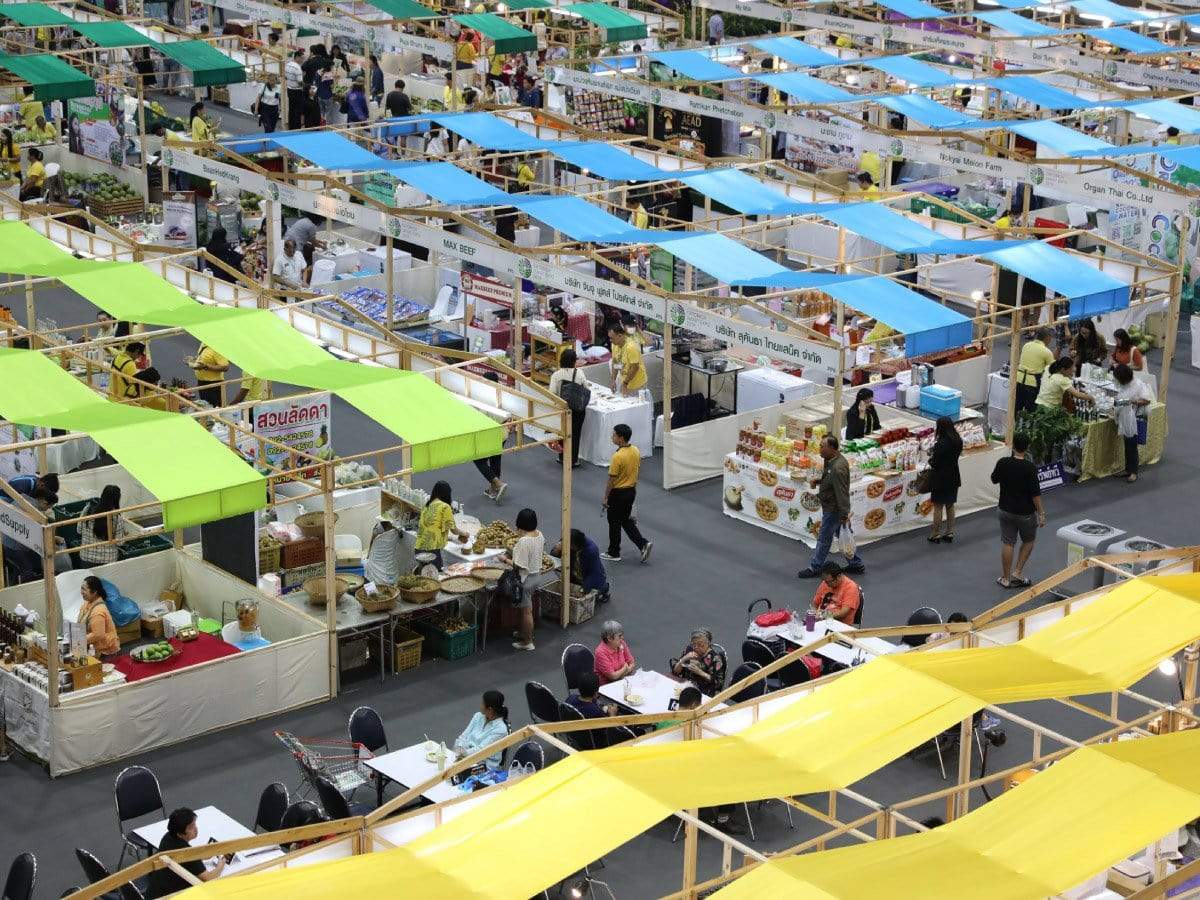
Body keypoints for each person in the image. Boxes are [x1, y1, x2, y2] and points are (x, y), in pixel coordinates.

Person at [798, 436, 864, 578]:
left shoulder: (837, 468)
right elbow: (831, 480)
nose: (820, 449)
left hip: (834, 510)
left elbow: (841, 493)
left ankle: (815, 567)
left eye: (822, 446)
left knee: (824, 539)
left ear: (832, 448)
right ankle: (856, 564)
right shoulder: (832, 460)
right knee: (844, 537)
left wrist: (844, 514)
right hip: (834, 508)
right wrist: (820, 481)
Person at [990, 432, 1044, 588]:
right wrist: (1041, 513)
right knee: (1028, 541)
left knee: (1008, 542)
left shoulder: (1003, 462)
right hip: (1025, 513)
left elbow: (994, 479)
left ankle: (1005, 578)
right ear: (1027, 448)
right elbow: (1035, 494)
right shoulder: (1030, 468)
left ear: (1013, 445)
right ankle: (1017, 572)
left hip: (1005, 509)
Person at [148, 808, 227, 898]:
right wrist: (221, 865)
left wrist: (202, 855)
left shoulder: (167, 837)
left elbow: (181, 859)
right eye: (190, 827)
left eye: (194, 824)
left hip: (155, 891)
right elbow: (207, 878)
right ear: (179, 833)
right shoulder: (186, 852)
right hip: (171, 896)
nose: (196, 829)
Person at [602, 424, 652, 564]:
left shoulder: (617, 456)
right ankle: (643, 544)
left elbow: (611, 480)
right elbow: (636, 470)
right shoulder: (635, 450)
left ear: (621, 438)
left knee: (614, 523)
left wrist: (606, 497)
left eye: (614, 435)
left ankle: (614, 552)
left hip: (618, 494)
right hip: (630, 491)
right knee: (625, 520)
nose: (612, 437)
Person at [508, 507, 544, 651]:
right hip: (537, 575)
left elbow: (518, 565)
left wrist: (505, 559)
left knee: (526, 611)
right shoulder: (539, 535)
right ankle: (524, 632)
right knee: (526, 609)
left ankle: (527, 642)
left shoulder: (524, 541)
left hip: (527, 580)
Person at [549, 348, 590, 468]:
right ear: (574, 361)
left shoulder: (556, 375)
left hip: (563, 409)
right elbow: (586, 389)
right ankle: (574, 460)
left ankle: (562, 457)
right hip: (578, 409)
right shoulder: (580, 373)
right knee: (575, 434)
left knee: (563, 433)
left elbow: (552, 393)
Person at [1112, 363, 1153, 483]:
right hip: (1126, 418)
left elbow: (1147, 400)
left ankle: (1133, 472)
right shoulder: (1124, 385)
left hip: (1134, 419)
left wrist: (1132, 401)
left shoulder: (1138, 384)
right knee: (1127, 445)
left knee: (1132, 446)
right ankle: (1128, 469)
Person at [415, 481, 469, 570]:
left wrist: (448, 538)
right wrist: (465, 533)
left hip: (419, 547)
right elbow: (454, 530)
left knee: (423, 574)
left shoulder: (427, 505)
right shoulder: (445, 507)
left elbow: (432, 527)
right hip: (432, 550)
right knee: (436, 575)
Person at [928, 416, 963, 543]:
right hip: (953, 476)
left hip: (940, 478)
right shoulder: (958, 440)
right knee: (950, 505)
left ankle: (935, 533)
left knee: (938, 506)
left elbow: (935, 463)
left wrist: (931, 458)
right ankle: (950, 532)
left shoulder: (940, 444)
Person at [453, 690, 510, 768]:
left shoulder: (501, 730)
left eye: (482, 703)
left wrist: (462, 754)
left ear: (490, 709)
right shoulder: (478, 716)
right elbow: (463, 736)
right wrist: (459, 747)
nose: (480, 705)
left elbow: (481, 751)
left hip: (484, 766)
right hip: (466, 757)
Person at [79, 485, 128, 566]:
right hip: (107, 560)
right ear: (117, 499)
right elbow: (119, 542)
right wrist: (125, 535)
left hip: (86, 557)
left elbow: (79, 530)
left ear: (102, 495)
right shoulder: (116, 517)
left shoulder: (87, 509)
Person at [1015, 327, 1056, 414]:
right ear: (1047, 338)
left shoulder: (1026, 345)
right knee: (1031, 411)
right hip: (1032, 384)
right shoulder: (1046, 352)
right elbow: (1054, 370)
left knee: (1016, 408)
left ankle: (1014, 423)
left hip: (1018, 380)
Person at [562, 528, 609, 603]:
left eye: (570, 545)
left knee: (587, 593)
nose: (568, 547)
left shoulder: (591, 551)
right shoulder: (570, 541)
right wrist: (556, 550)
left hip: (592, 575)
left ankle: (604, 588)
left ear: (576, 544)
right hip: (578, 569)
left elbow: (594, 573)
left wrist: (584, 589)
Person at [671, 628, 726, 693]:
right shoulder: (690, 650)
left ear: (708, 643)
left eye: (700, 644)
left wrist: (700, 672)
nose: (696, 647)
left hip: (703, 691)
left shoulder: (715, 658)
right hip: (684, 685)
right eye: (693, 644)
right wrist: (683, 659)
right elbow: (675, 672)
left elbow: (718, 683)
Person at [78, 576, 120, 656]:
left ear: (94, 592)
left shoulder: (98, 610)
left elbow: (98, 635)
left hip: (104, 651)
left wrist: (77, 640)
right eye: (81, 588)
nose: (81, 592)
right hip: (90, 647)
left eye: (84, 589)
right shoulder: (87, 603)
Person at [363, 516, 409, 586]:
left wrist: (368, 554)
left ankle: (380, 584)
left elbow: (372, 541)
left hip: (381, 558)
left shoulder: (379, 528)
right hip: (385, 559)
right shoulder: (396, 530)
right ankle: (388, 584)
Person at [608, 323, 646, 397]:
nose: (610, 340)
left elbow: (635, 368)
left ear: (620, 336)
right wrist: (613, 380)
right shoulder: (614, 345)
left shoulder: (631, 347)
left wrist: (625, 383)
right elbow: (615, 363)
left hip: (637, 384)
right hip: (625, 382)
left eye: (612, 338)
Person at [594, 619, 634, 684]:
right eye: (619, 636)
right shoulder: (600, 652)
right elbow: (612, 676)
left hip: (622, 680)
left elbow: (631, 662)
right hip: (607, 686)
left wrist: (625, 671)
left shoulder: (621, 643)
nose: (622, 638)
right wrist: (625, 668)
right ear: (609, 638)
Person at [192, 342, 230, 408]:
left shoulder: (217, 349)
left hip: (214, 385)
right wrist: (194, 361)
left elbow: (225, 367)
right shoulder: (203, 343)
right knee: (205, 407)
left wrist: (206, 366)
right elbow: (203, 358)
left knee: (214, 408)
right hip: (202, 383)